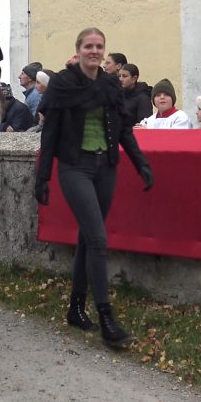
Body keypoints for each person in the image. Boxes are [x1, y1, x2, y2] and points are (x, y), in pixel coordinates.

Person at [35, 27, 153, 349]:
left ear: (104, 51)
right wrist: (42, 177)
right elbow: (50, 133)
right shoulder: (62, 83)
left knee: (88, 237)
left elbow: (124, 128)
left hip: (106, 167)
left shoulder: (110, 84)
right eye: (88, 46)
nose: (94, 51)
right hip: (75, 167)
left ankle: (75, 308)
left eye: (99, 46)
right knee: (99, 238)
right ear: (78, 49)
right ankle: (106, 319)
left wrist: (140, 162)